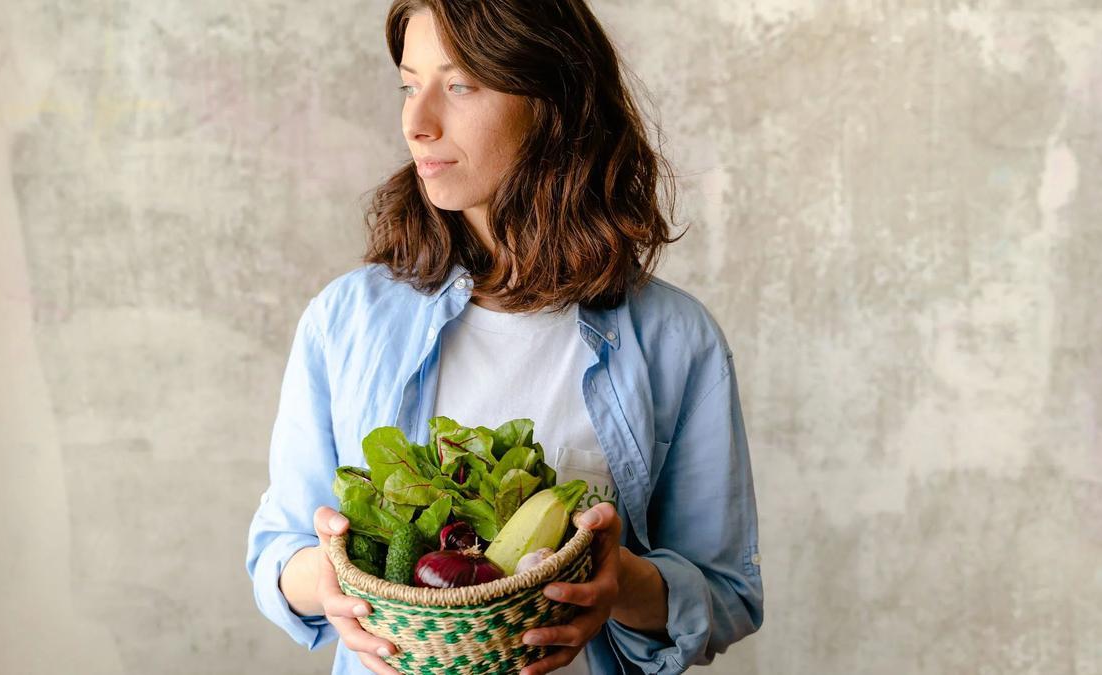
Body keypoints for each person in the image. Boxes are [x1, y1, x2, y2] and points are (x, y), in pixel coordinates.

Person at [245, 1, 764, 674]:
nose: (417, 121)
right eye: (410, 84)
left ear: (552, 100)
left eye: (459, 85)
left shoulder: (675, 339)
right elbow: (277, 551)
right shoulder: (344, 321)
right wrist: (327, 581)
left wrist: (620, 583)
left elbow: (728, 593)